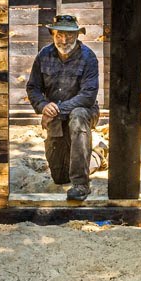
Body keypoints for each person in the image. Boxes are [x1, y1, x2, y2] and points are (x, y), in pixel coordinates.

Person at [26, 14, 99, 201]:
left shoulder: (88, 57)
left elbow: (88, 95)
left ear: (77, 35)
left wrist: (55, 110)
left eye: (69, 35)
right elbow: (33, 87)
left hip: (84, 111)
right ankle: (98, 156)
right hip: (55, 116)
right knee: (59, 177)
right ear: (52, 34)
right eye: (59, 35)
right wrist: (43, 106)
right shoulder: (43, 55)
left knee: (78, 116)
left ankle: (81, 185)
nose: (64, 40)